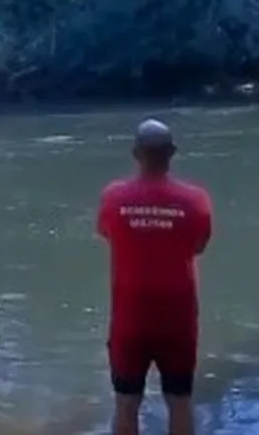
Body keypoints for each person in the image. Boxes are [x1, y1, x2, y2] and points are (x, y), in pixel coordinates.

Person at [96, 119, 213, 435]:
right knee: (180, 401)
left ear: (136, 153)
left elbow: (107, 233)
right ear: (172, 153)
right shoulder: (197, 200)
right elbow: (199, 246)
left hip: (130, 320)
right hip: (178, 320)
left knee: (125, 403)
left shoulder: (112, 198)